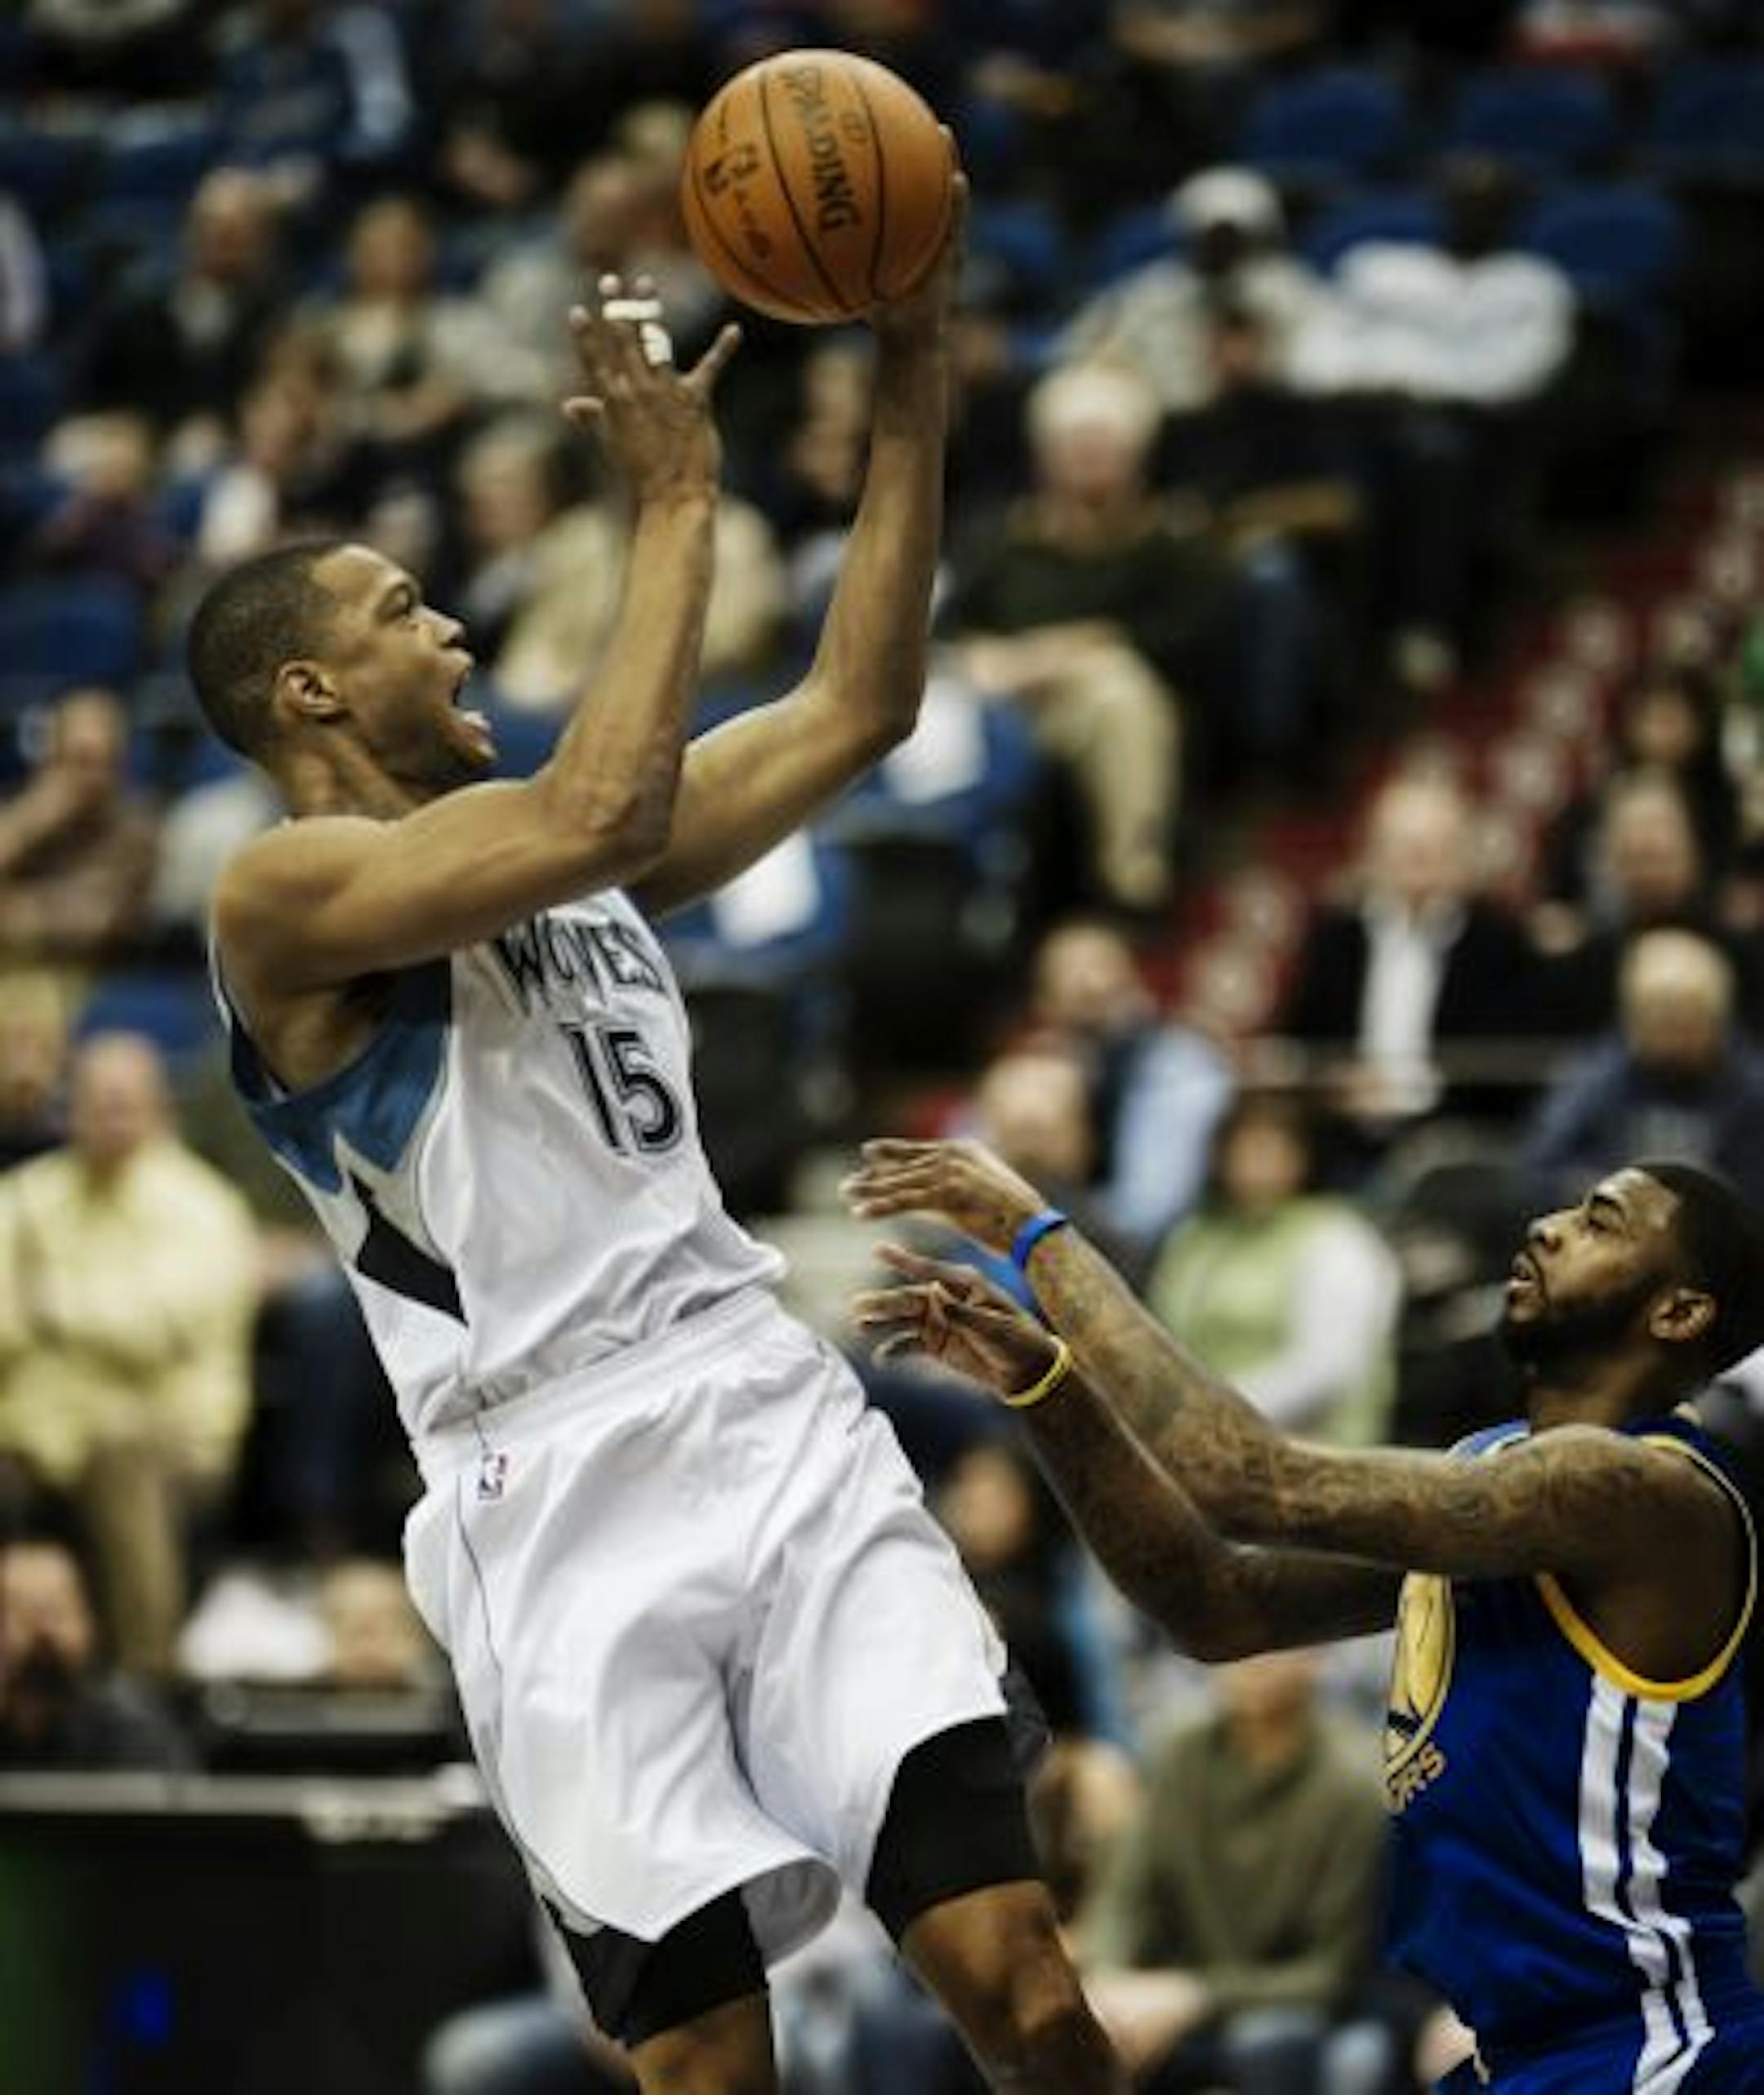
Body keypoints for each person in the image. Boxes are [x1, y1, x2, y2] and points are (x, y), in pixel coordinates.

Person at [186, 185, 1125, 2095]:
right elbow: (603, 812)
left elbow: (860, 701)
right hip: (543, 1486)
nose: (444, 626)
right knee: (706, 2066)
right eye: (395, 613)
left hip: (758, 1411)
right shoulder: (280, 898)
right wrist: (676, 502)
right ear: (305, 691)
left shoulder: (564, 836)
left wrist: (915, 367)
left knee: (1022, 1981)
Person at [845, 1138, 1764, 2088]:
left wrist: (1033, 1236)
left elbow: (1249, 1479)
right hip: (1520, 2056)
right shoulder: (1492, 1480)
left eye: (1599, 1221)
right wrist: (1048, 1388)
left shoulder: (1642, 1491)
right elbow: (1214, 1603)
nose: (1547, 1224)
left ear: (1680, 1310)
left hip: (1654, 2049)